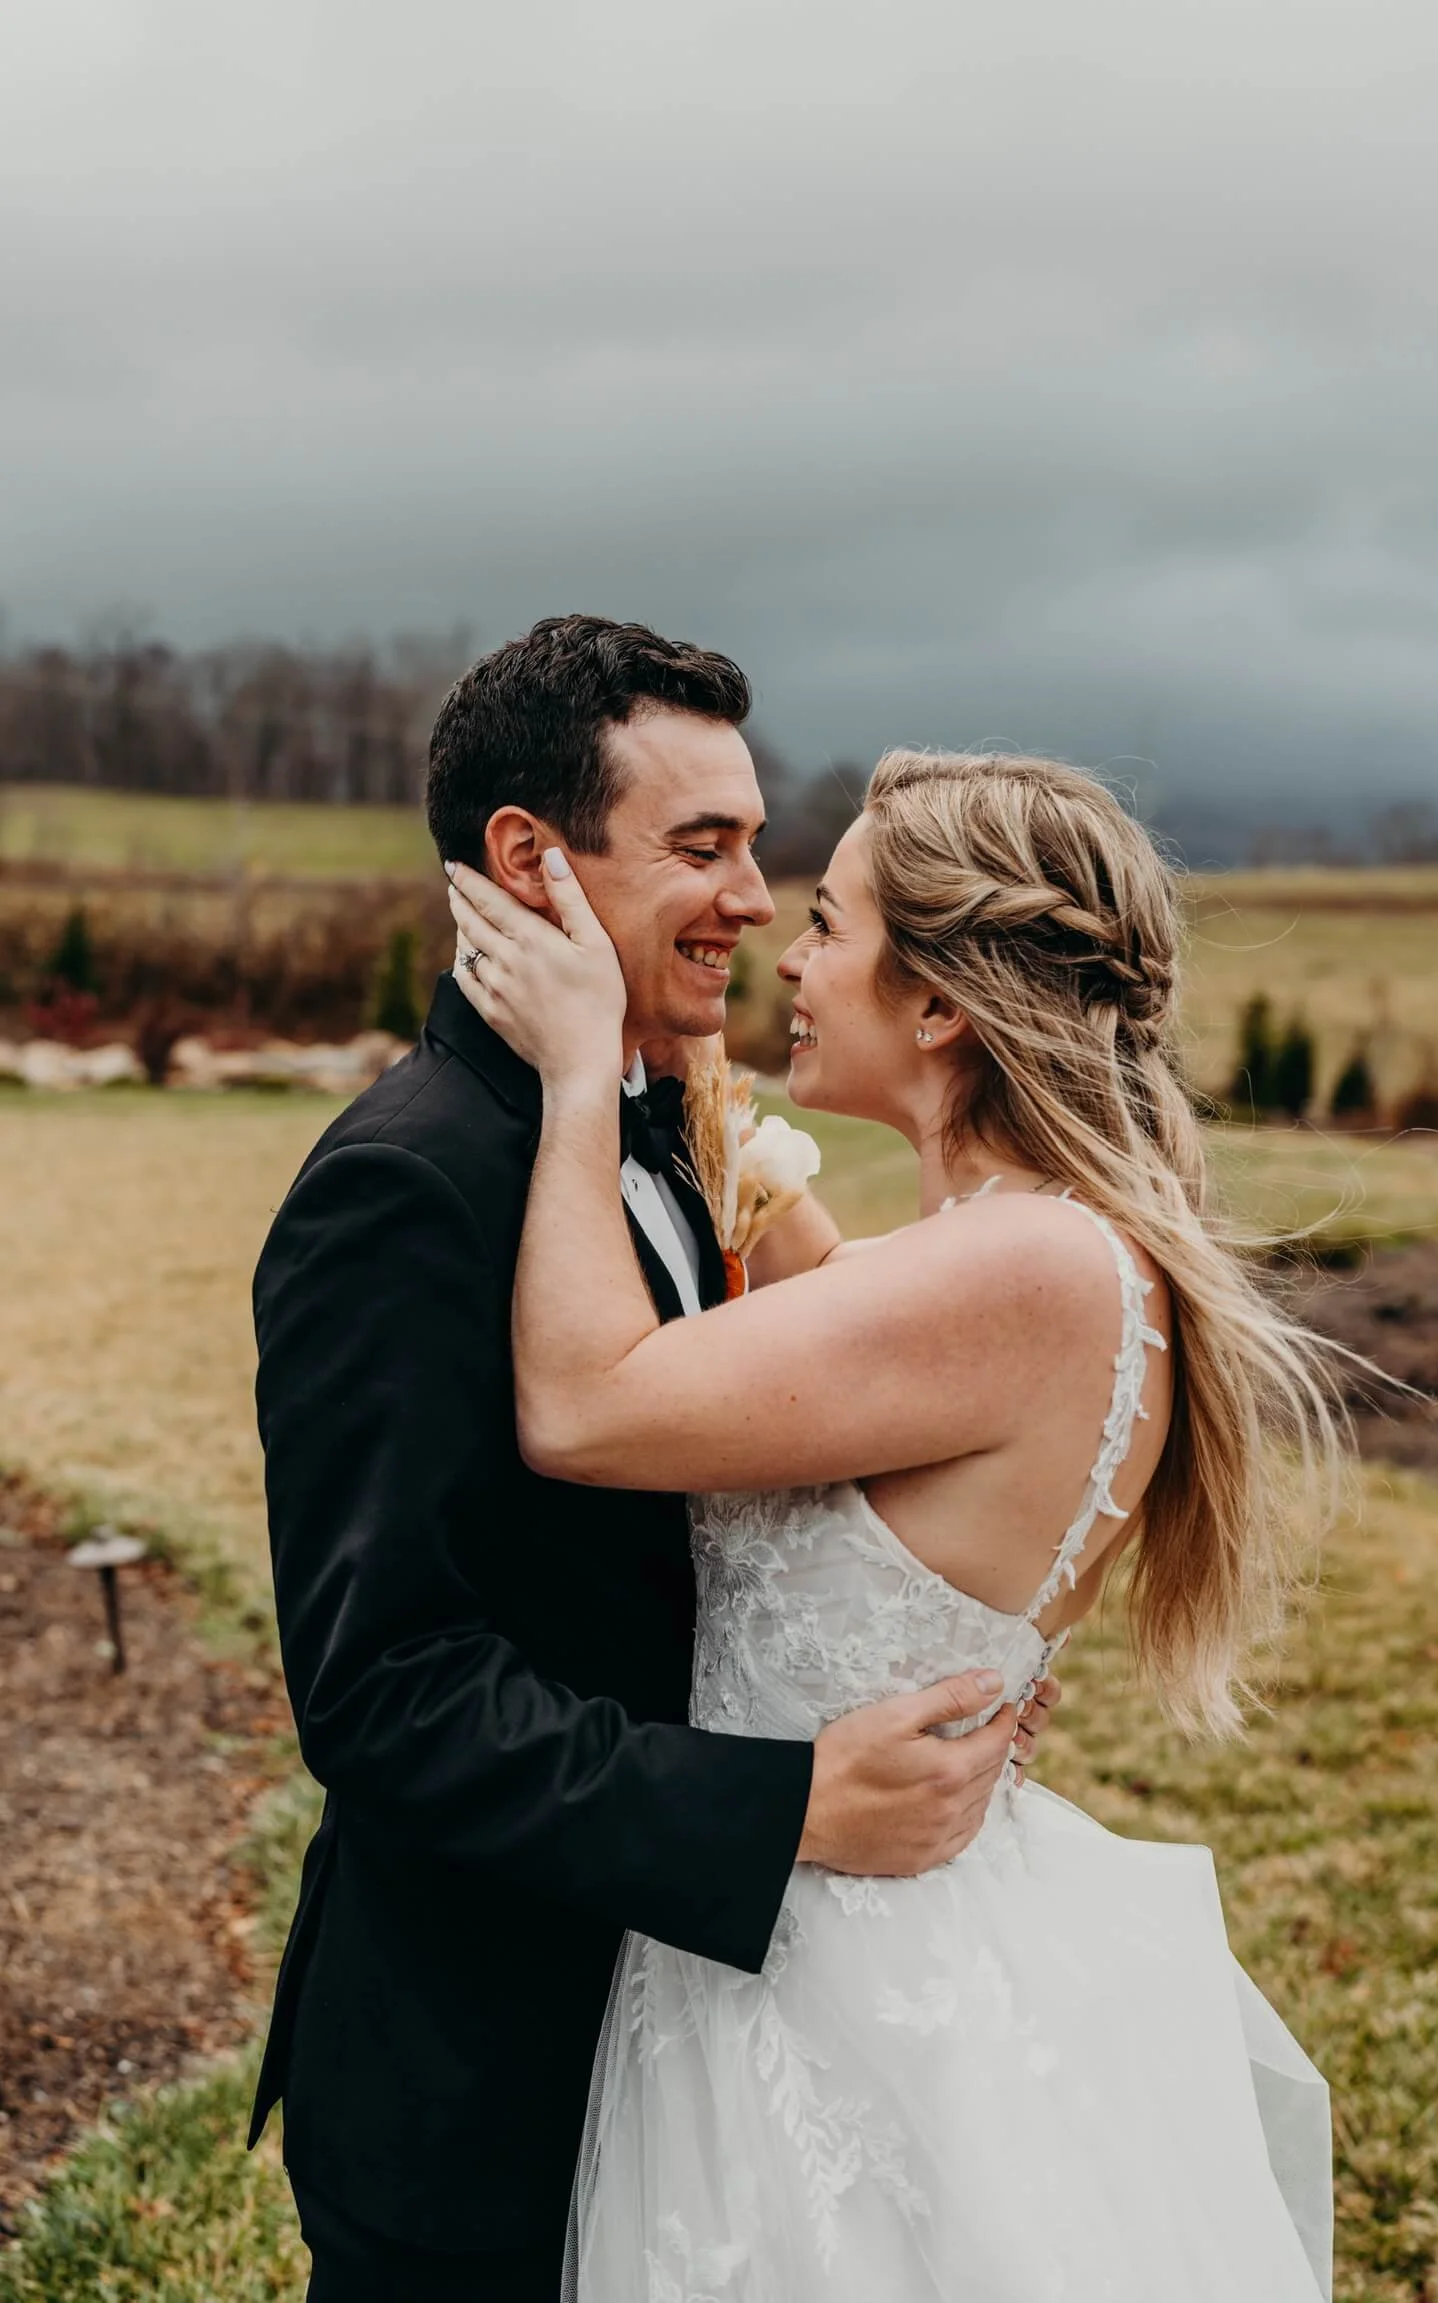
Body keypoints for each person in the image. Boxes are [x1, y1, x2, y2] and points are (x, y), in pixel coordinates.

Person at [445, 743, 1344, 2301]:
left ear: (938, 1006)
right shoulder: (1010, 1248)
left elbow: (585, 1405)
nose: (787, 955)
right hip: (816, 1923)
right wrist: (674, 1032)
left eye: (830, 925)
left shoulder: (1027, 1269)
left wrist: (585, 1073)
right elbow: (822, 1302)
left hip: (846, 1996)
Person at [248, 619, 1059, 2303]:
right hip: (485, 2083)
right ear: (529, 860)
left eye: (756, 844)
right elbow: (385, 1688)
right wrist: (790, 1803)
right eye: (702, 846)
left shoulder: (657, 1125)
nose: (754, 899)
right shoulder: (405, 1186)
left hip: (707, 2063)